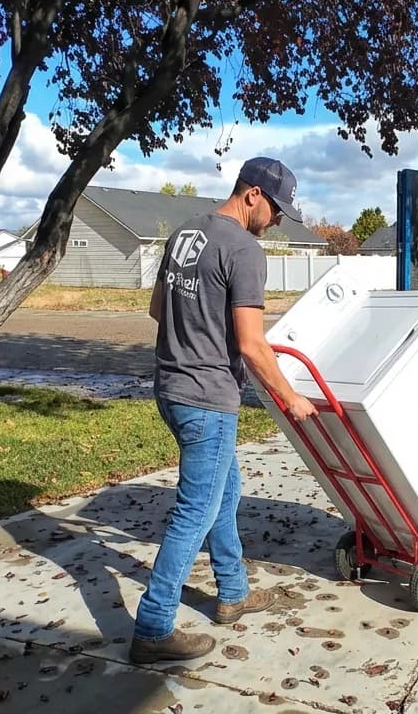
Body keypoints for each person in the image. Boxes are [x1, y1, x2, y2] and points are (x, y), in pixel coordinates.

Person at [130, 157, 318, 664]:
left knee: (224, 492)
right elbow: (254, 346)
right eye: (276, 209)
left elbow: (156, 310)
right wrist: (291, 398)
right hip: (207, 398)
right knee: (196, 511)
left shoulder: (184, 236)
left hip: (170, 387)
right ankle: (152, 627)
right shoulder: (243, 249)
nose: (277, 220)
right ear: (253, 194)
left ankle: (233, 594)